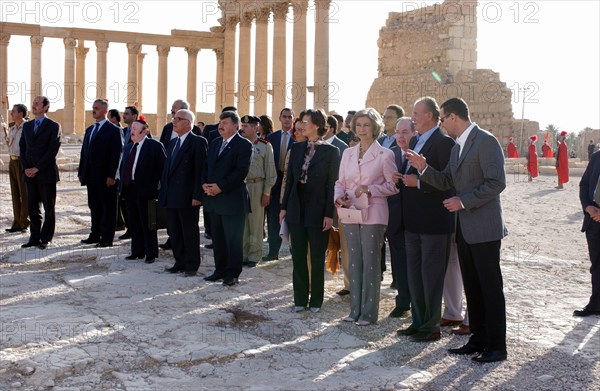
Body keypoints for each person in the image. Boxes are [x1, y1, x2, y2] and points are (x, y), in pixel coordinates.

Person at [407, 97, 508, 363]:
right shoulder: (457, 147)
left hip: (485, 228)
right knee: (473, 288)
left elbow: (497, 182)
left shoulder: (486, 141)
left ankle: (497, 346)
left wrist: (463, 201)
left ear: (453, 117)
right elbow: (446, 180)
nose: (441, 123)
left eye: (441, 118)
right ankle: (478, 339)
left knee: (490, 288)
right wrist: (424, 168)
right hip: (463, 227)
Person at [397, 97, 455, 343]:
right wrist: (402, 177)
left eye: (416, 113)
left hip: (433, 222)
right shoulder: (415, 140)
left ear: (430, 115)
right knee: (415, 275)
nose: (413, 117)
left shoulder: (444, 143)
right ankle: (418, 322)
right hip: (413, 220)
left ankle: (431, 325)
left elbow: (447, 182)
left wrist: (418, 182)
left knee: (431, 276)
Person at [334, 108, 397, 325]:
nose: (362, 129)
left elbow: (392, 186)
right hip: (350, 210)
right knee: (354, 261)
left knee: (370, 262)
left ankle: (369, 313)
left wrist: (370, 189)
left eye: (366, 125)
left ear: (375, 127)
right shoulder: (348, 153)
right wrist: (338, 197)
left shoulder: (385, 154)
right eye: (358, 125)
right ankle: (354, 311)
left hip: (374, 213)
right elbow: (340, 182)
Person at [280, 109, 340, 312]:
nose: (301, 126)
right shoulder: (296, 148)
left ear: (316, 125)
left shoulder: (331, 152)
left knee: (316, 257)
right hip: (296, 208)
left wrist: (329, 214)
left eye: (305, 122)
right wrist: (283, 207)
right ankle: (299, 299)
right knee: (297, 256)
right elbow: (289, 181)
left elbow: (332, 184)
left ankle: (316, 300)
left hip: (318, 209)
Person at [202, 111, 253, 286]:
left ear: (235, 126)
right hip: (214, 200)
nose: (220, 125)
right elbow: (206, 166)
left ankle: (233, 273)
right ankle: (220, 270)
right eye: (220, 122)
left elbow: (240, 172)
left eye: (224, 122)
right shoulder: (215, 143)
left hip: (232, 201)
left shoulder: (244, 145)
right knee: (218, 238)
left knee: (233, 240)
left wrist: (220, 187)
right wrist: (205, 184)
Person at [159, 109, 207, 276]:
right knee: (174, 231)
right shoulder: (172, 143)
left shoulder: (198, 142)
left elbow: (200, 171)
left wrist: (197, 195)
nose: (174, 121)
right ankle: (179, 261)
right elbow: (167, 171)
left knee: (189, 231)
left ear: (188, 122)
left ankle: (192, 264)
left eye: (178, 119)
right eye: (174, 118)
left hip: (188, 197)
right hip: (171, 195)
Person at [120, 119, 166, 264]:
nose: (132, 131)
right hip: (129, 190)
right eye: (131, 128)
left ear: (144, 131)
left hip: (147, 191)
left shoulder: (155, 146)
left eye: (135, 128)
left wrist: (159, 190)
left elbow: (163, 170)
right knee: (133, 223)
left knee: (148, 224)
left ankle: (151, 253)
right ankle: (137, 251)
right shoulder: (128, 147)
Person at [79, 99, 123, 247]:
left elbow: (117, 155)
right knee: (94, 206)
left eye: (96, 108)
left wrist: (112, 175)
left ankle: (106, 238)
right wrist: (81, 171)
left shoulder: (114, 130)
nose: (93, 110)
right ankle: (95, 234)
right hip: (91, 177)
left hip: (106, 178)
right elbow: (84, 152)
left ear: (105, 111)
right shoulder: (90, 130)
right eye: (93, 108)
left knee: (108, 208)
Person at [19, 96, 61, 249]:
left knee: (49, 208)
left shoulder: (54, 126)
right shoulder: (27, 126)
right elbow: (22, 147)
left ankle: (46, 238)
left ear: (45, 107)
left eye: (37, 103)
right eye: (33, 103)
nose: (34, 105)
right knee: (32, 208)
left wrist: (37, 168)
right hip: (29, 174)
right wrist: (26, 168)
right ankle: (34, 237)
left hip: (46, 173)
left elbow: (52, 150)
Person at [387, 117, 416, 318]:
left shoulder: (421, 153)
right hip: (395, 217)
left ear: (414, 133)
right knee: (399, 262)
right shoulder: (390, 155)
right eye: (398, 132)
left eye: (405, 132)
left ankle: (418, 303)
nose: (401, 136)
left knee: (416, 263)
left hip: (417, 218)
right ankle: (402, 301)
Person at [239, 115, 277, 268]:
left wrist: (266, 192)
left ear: (256, 127)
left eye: (247, 126)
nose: (243, 128)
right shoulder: (239, 144)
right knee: (242, 221)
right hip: (241, 186)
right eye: (242, 125)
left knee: (255, 221)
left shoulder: (265, 146)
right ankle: (242, 254)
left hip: (257, 185)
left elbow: (270, 171)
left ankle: (254, 255)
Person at [265, 108, 295, 261]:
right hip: (275, 183)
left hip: (292, 184)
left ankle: (294, 251)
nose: (287, 120)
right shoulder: (272, 137)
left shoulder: (299, 138)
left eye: (290, 117)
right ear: (279, 118)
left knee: (292, 218)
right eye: (284, 116)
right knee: (273, 218)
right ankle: (273, 252)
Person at [574, 149, 600, 316]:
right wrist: (587, 207)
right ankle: (596, 304)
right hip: (593, 220)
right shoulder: (597, 157)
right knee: (597, 265)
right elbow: (584, 184)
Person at [5, 103, 29, 233]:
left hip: (22, 162)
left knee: (24, 193)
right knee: (15, 193)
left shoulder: (28, 127)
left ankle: (24, 222)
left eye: (13, 111)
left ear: (20, 114)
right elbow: (10, 144)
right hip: (12, 161)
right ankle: (16, 222)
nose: (11, 113)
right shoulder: (12, 128)